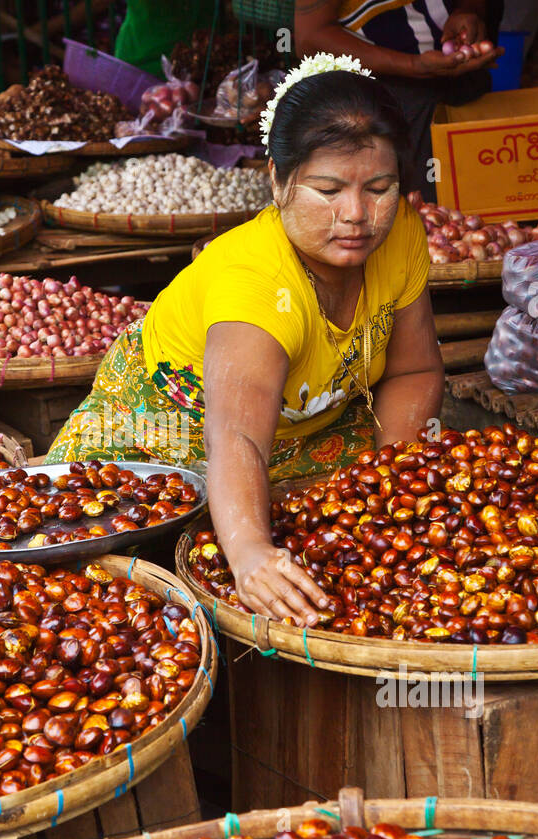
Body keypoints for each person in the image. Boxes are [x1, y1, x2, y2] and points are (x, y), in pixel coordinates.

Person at [45, 57, 444, 626]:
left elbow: (414, 372)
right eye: (327, 189)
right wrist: (251, 552)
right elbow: (235, 436)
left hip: (309, 419)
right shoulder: (256, 282)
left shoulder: (401, 232)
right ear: (279, 182)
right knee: (96, 573)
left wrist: (385, 493)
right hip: (170, 428)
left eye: (379, 187)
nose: (357, 214)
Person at [296, 0, 504, 199]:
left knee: (486, 196)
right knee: (423, 208)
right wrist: (414, 66)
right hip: (389, 96)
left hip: (462, 79)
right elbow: (310, 38)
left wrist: (467, 12)